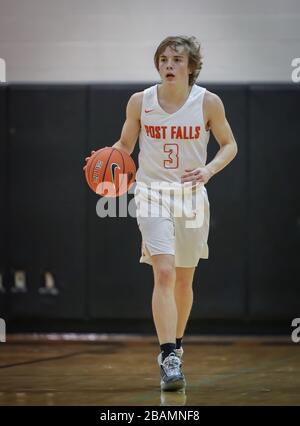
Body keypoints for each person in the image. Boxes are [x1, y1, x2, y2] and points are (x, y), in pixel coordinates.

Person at [85, 35, 238, 392]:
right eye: (164, 59)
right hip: (152, 194)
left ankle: (177, 345)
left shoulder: (208, 103)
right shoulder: (140, 102)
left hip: (191, 197)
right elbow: (125, 145)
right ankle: (168, 355)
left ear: (191, 67)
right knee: (165, 272)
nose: (169, 65)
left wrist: (209, 170)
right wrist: (107, 158)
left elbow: (229, 145)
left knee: (184, 281)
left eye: (177, 60)